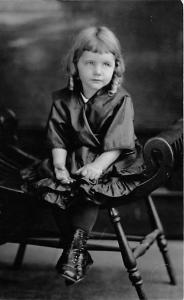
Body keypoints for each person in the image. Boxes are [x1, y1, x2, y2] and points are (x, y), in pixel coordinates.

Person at [26, 26, 145, 285]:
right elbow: (57, 137)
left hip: (111, 159)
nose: (98, 71)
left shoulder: (121, 100)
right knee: (57, 183)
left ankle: (76, 248)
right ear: (75, 64)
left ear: (116, 67)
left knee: (88, 187)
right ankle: (76, 253)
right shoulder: (63, 99)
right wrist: (59, 165)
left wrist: (97, 167)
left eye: (106, 64)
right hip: (75, 156)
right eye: (90, 63)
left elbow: (117, 144)